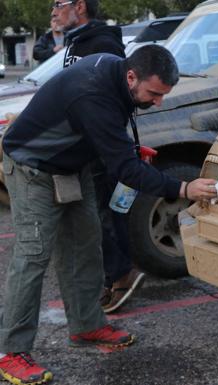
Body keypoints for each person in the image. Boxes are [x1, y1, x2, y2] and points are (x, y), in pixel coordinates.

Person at [0, 45, 217, 385]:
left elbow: (108, 137)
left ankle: (86, 326)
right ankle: (10, 352)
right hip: (32, 168)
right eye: (154, 93)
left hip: (74, 167)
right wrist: (185, 189)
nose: (158, 101)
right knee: (32, 255)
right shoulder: (92, 93)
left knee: (86, 245)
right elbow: (126, 170)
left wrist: (126, 149)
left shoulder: (119, 73)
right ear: (132, 76)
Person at [52, 0, 144, 314]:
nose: (53, 11)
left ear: (80, 6)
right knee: (98, 214)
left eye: (58, 3)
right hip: (86, 146)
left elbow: (113, 98)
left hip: (100, 147)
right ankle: (111, 276)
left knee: (105, 214)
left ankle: (121, 277)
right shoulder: (78, 42)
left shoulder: (101, 44)